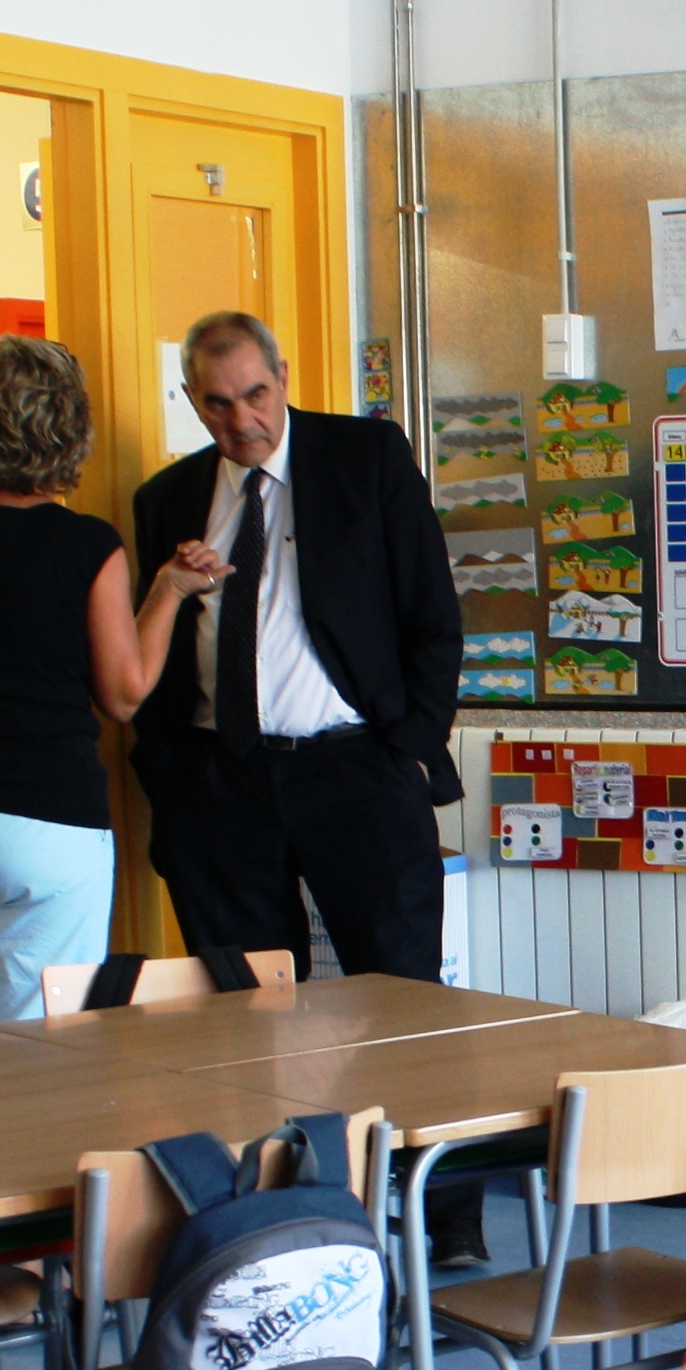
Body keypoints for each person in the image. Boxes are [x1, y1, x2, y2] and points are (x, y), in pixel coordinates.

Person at [0, 336, 225, 1029]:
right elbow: (123, 694)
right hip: (44, 810)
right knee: (40, 1038)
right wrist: (170, 592)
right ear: (71, 425)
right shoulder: (85, 543)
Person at [125, 311, 465, 984]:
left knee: (399, 993)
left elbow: (431, 612)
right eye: (218, 403)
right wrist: (171, 778)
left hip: (356, 768)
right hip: (219, 782)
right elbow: (156, 657)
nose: (241, 420)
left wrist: (412, 748)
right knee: (245, 1001)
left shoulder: (366, 457)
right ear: (191, 399)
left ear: (282, 378)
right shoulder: (165, 499)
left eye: (255, 394)